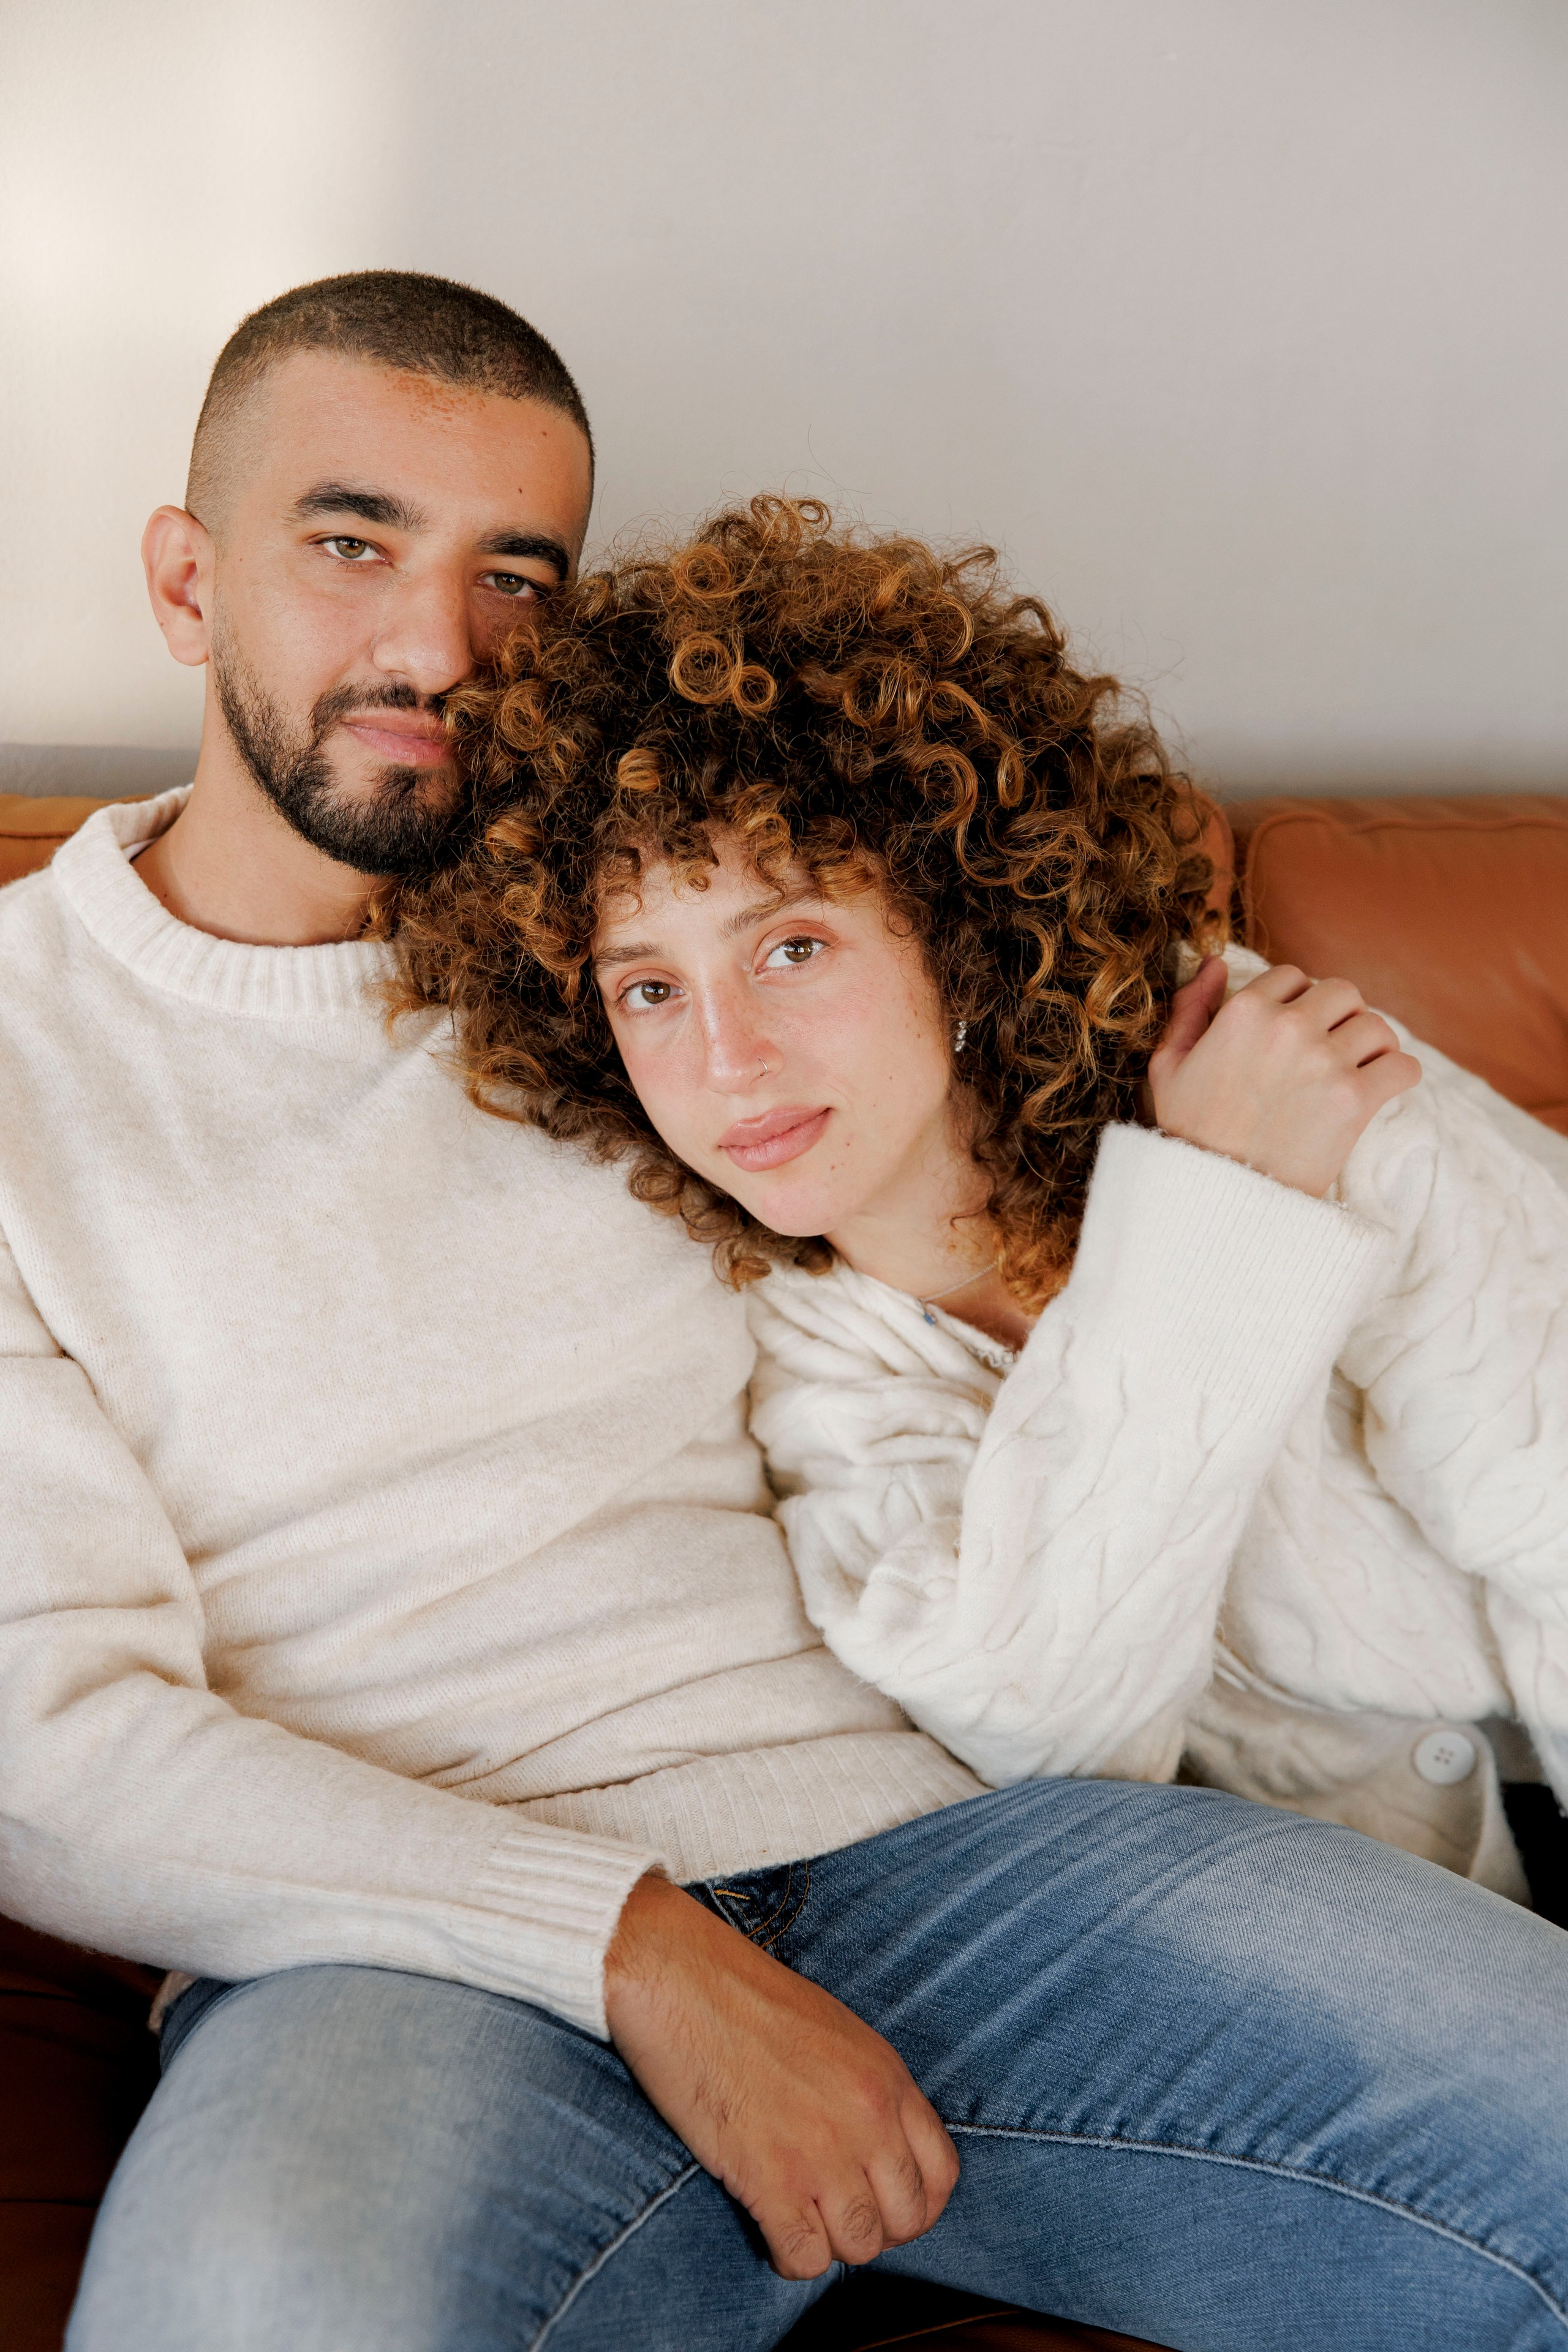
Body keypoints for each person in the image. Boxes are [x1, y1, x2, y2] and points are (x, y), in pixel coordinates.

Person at [0, 282, 1563, 2352]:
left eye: (515, 580)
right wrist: (634, 1951)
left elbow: (1086, 1072)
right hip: (389, 1949)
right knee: (267, 2315)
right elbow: (54, 1748)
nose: (435, 650)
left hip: (966, 1863)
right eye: (350, 542)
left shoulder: (667, 922)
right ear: (188, 581)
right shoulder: (30, 1059)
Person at [393, 496, 1568, 1915]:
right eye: (648, 986)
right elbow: (1060, 1741)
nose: (725, 1059)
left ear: (955, 933)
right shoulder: (804, 1366)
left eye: (792, 946)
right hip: (1398, 1951)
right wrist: (1215, 1214)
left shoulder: (1269, 1062)